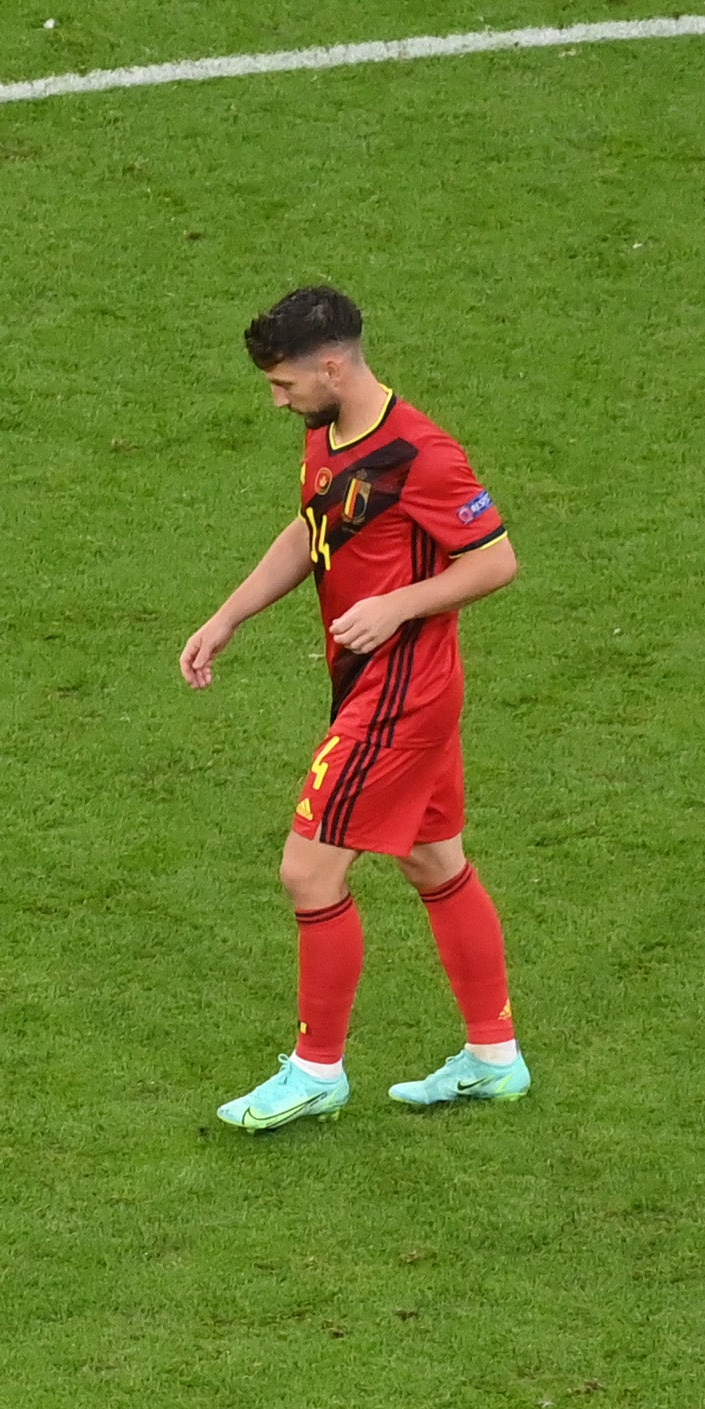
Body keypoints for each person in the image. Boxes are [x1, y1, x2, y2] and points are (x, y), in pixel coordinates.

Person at [178, 286, 528, 1129]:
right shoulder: (328, 433)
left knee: (307, 871)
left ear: (330, 365)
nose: (277, 399)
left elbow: (496, 561)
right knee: (431, 857)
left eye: (284, 384)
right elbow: (312, 528)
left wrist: (400, 604)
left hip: (400, 692)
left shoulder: (423, 454)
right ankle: (493, 1057)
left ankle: (315, 1071)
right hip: (384, 683)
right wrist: (228, 615)